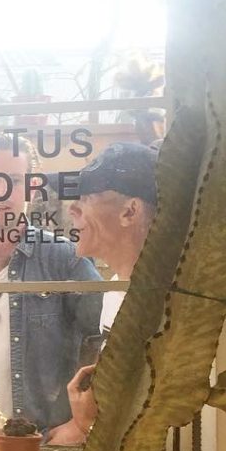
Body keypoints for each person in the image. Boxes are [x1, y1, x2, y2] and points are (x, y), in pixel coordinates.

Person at [0, 134, 102, 443]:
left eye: (14, 181)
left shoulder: (64, 260)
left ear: (33, 188)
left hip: (41, 447)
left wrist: (80, 424)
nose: (1, 192)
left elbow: (111, 338)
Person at [65, 142, 158, 435]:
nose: (72, 209)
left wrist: (87, 424)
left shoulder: (165, 301)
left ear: (130, 211)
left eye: (87, 197)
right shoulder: (116, 291)